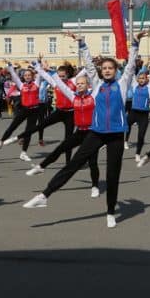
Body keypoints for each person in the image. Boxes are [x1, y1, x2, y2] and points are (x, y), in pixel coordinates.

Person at [22, 31, 148, 228]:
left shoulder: (122, 85)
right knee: (74, 163)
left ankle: (110, 212)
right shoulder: (96, 85)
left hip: (116, 135)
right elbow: (89, 66)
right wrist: (82, 44)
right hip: (96, 132)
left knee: (113, 175)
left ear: (115, 70)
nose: (106, 71)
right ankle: (45, 195)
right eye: (104, 68)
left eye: (110, 68)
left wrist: (134, 44)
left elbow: (131, 65)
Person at [23, 50, 101, 197]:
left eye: (82, 83)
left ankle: (95, 186)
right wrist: (39, 67)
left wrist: (87, 54)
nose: (79, 85)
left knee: (93, 161)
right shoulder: (73, 96)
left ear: (88, 84)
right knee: (60, 148)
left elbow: (91, 72)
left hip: (93, 133)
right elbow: (59, 82)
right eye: (77, 84)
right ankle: (41, 166)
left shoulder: (94, 94)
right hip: (80, 132)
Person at [0, 60, 44, 163]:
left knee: (28, 132)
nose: (28, 77)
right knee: (12, 126)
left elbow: (40, 74)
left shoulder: (36, 84)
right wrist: (10, 66)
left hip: (34, 110)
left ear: (33, 76)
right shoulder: (21, 85)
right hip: (24, 109)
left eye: (29, 75)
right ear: (24, 77)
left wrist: (38, 64)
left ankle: (23, 153)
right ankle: (1, 142)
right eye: (26, 75)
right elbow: (14, 76)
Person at [125, 59, 150, 162]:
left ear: (146, 79)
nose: (142, 80)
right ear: (138, 80)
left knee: (141, 135)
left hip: (143, 115)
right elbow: (132, 73)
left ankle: (137, 153)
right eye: (140, 78)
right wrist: (132, 61)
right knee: (125, 126)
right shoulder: (134, 86)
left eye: (143, 78)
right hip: (134, 112)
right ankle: (125, 140)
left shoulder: (149, 88)